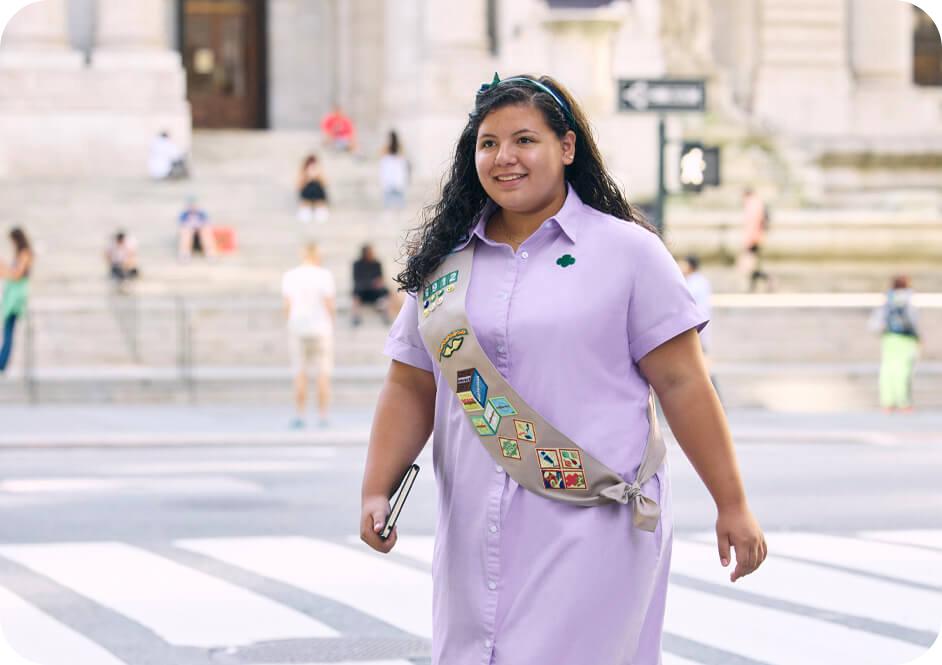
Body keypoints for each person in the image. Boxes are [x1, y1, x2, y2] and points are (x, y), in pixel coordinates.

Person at [360, 74, 766, 664]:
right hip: (475, 526)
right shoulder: (444, 267)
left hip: (594, 522)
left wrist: (732, 503)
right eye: (488, 143)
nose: (504, 158)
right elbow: (410, 383)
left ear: (567, 147)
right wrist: (377, 488)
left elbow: (683, 383)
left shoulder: (628, 252)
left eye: (525, 140)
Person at [282, 243, 336, 428]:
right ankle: (322, 414)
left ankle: (300, 414)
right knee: (322, 374)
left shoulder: (291, 276)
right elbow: (329, 303)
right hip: (320, 327)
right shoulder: (324, 276)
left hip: (298, 326)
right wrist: (331, 323)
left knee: (300, 373)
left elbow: (287, 304)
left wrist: (289, 321)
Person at [870, 275, 920, 413]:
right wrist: (918, 336)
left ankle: (887, 403)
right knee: (903, 370)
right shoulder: (907, 298)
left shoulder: (888, 298)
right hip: (905, 338)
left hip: (889, 337)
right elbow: (912, 318)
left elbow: (878, 319)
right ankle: (904, 402)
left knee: (887, 369)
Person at [0, 228, 33, 373]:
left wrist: (4, 269)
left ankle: (2, 363)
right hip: (11, 294)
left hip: (16, 297)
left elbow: (17, 274)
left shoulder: (25, 253)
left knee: (8, 331)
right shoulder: (21, 253)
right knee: (7, 330)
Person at [351, 244, 394, 326]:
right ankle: (356, 316)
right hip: (362, 289)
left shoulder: (377, 263)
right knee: (356, 292)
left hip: (375, 289)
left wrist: (377, 282)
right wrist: (371, 282)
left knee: (386, 291)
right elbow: (356, 279)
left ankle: (387, 314)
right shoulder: (357, 264)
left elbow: (381, 277)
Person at [740, 187, 772, 292]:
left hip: (753, 239)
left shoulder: (752, 205)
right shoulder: (758, 203)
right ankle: (755, 285)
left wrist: (748, 240)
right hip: (757, 238)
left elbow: (752, 224)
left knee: (750, 264)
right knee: (754, 265)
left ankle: (765, 280)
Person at [379, 130, 409, 208]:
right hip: (397, 179)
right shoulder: (399, 148)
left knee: (389, 201)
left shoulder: (387, 149)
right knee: (399, 201)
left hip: (391, 179)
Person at [296, 154, 329, 223]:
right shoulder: (302, 173)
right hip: (306, 196)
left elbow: (325, 184)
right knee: (310, 187)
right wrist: (307, 178)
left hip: (319, 196)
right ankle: (307, 208)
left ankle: (319, 208)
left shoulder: (320, 172)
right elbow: (298, 186)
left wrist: (318, 176)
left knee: (316, 186)